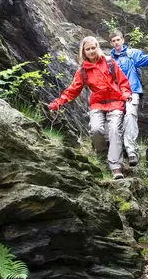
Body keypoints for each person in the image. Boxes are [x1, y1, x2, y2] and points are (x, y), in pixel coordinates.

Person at [48, 36, 132, 179]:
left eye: (93, 48)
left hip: (116, 102)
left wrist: (125, 94)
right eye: (88, 49)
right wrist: (58, 102)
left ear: (97, 47)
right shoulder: (83, 71)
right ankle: (101, 152)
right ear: (84, 52)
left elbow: (123, 81)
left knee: (114, 131)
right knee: (96, 130)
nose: (92, 51)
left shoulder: (110, 62)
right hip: (97, 104)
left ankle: (116, 168)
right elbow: (73, 90)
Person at [109, 29, 148, 167]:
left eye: (118, 39)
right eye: (113, 41)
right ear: (111, 43)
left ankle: (131, 151)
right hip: (116, 95)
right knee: (116, 120)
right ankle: (116, 151)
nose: (116, 42)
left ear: (123, 40)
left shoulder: (133, 54)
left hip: (132, 92)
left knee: (130, 115)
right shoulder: (109, 61)